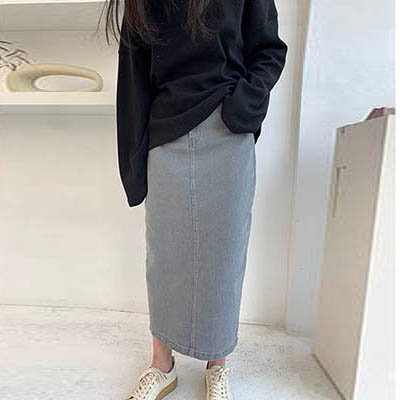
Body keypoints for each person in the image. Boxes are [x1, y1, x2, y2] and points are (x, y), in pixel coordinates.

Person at [104, 0, 287, 398]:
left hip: (228, 130)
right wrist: (135, 161)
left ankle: (217, 365)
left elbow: (269, 50)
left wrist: (243, 103)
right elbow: (133, 76)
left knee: (225, 254)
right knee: (165, 253)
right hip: (165, 132)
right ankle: (162, 364)